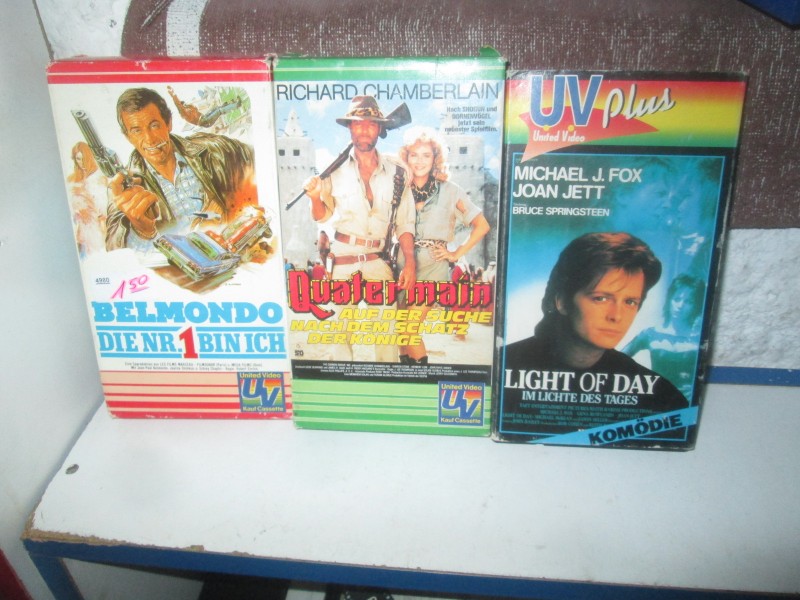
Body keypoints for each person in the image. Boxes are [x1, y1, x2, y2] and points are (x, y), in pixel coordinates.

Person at [503, 232, 687, 416]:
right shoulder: (502, 367)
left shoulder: (663, 399)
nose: (616, 316)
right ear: (562, 302)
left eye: (630, 302)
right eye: (601, 298)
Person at [302, 96, 416, 362]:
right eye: (358, 124)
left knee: (386, 335)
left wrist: (410, 262)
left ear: (380, 129)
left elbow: (405, 223)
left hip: (379, 259)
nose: (364, 130)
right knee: (341, 335)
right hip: (343, 259)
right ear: (350, 128)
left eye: (371, 124)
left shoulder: (398, 173)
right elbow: (321, 215)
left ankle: (388, 383)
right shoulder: (333, 170)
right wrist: (315, 197)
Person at [106, 87, 256, 251]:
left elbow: (261, 160)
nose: (149, 139)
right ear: (127, 136)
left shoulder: (212, 150)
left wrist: (229, 205)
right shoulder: (124, 188)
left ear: (168, 123)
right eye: (137, 131)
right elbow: (114, 248)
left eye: (154, 126)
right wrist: (142, 232)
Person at [396, 126, 490, 363]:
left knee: (410, 329)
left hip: (433, 264)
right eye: (414, 155)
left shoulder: (451, 191)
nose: (420, 161)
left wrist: (456, 253)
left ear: (435, 158)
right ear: (406, 157)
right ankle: (406, 377)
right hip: (402, 263)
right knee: (401, 333)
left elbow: (481, 225)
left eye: (426, 155)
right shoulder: (400, 190)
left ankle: (422, 380)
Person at [623, 273, 705, 398]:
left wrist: (697, 388)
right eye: (677, 299)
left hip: (687, 401)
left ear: (696, 306)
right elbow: (617, 360)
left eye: (688, 301)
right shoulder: (650, 334)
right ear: (669, 299)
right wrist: (635, 385)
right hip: (656, 400)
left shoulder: (699, 339)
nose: (680, 305)